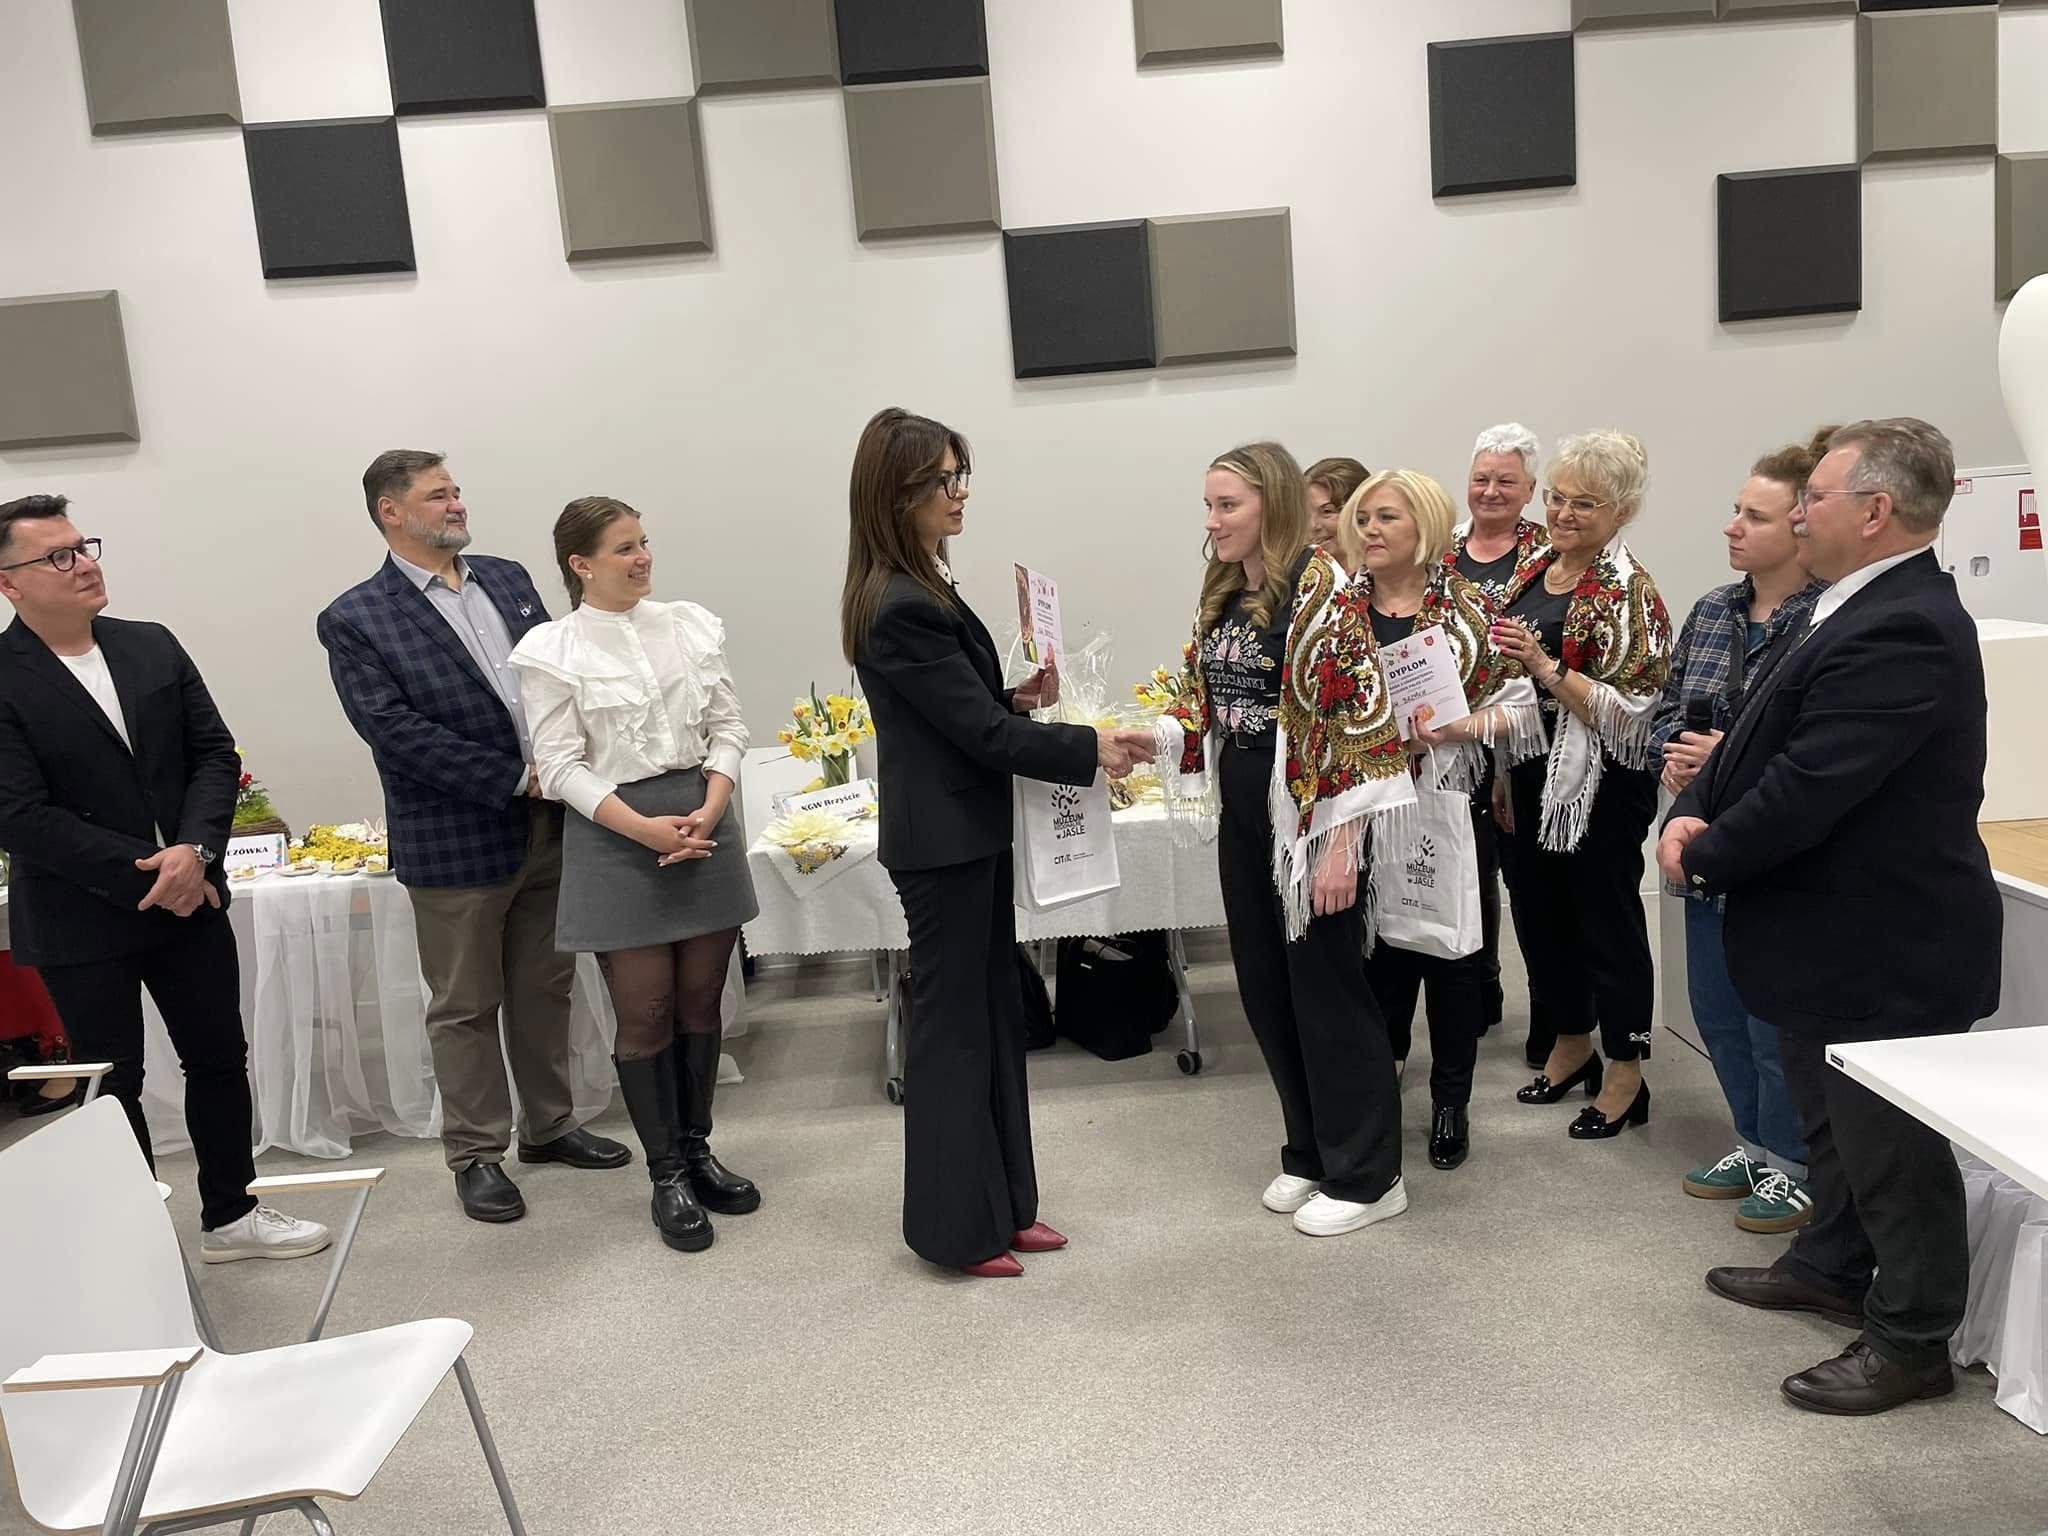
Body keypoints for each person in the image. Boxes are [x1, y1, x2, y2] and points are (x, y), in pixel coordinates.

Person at [1660, 418, 2002, 1416]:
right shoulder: (1841, 604)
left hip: (1883, 942)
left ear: (1875, 510)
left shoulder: (1905, 625)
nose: (1798, 512)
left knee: (1891, 1150)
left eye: (1813, 496)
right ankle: (1831, 1265)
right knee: (1833, 1127)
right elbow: (1749, 740)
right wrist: (1691, 809)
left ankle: (1910, 1340)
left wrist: (1704, 851)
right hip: (1828, 936)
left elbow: (1812, 782)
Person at [843, 408, 1153, 1279]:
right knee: (954, 1037)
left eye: (960, 475)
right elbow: (976, 736)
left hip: (965, 835)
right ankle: (954, 1230)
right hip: (941, 848)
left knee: (991, 1022)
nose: (960, 493)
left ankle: (1006, 1206)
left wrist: (1019, 698)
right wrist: (1089, 746)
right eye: (945, 479)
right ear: (898, 491)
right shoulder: (900, 603)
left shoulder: (920, 584)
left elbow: (963, 713)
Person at [0, 495, 329, 1261]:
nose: (83, 565)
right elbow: (18, 814)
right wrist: (151, 871)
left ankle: (232, 1216)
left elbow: (214, 753)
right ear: (9, 583)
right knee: (112, 1079)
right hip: (82, 911)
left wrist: (196, 852)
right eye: (58, 556)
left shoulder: (149, 644)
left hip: (191, 897)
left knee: (217, 1057)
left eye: (85, 547)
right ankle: (137, 1245)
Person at [318, 452, 630, 1224]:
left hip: (550, 825)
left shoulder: (507, 578)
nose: (457, 504)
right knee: (464, 1005)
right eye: (438, 495)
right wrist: (516, 777)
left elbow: (559, 676)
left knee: (545, 986)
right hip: (456, 838)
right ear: (391, 511)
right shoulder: (356, 617)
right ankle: (477, 1155)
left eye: (457, 491)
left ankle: (550, 1127)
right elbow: (394, 733)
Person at [1153, 442, 1415, 1238]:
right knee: (1267, 989)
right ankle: (1310, 1150)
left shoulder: (1324, 592)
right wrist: (1149, 737)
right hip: (1248, 817)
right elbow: (1203, 696)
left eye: (1227, 505)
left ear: (1271, 504)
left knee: (1328, 994)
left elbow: (1363, 723)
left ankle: (1370, 1175)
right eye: (1208, 506)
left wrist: (1340, 843)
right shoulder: (1228, 590)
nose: (1212, 521)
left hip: (1313, 822)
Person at [507, 497, 761, 1254]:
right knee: (646, 1010)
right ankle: (666, 1174)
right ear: (581, 565)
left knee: (701, 1001)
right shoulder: (552, 649)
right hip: (616, 833)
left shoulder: (689, 624)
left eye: (644, 542)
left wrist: (712, 805)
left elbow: (729, 727)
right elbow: (558, 766)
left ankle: (699, 1151)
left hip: (704, 816)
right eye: (624, 548)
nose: (643, 557)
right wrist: (643, 828)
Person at [1649, 431, 1830, 1236]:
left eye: (1753, 516)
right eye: (1735, 510)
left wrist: (1728, 759)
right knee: (1716, 1011)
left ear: (1801, 525)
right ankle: (1754, 1144)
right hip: (1698, 844)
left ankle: (1795, 1163)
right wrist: (1676, 757)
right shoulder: (1712, 610)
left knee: (1769, 1021)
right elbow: (1664, 710)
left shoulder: (1820, 622)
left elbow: (1814, 751)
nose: (1732, 526)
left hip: (1771, 852)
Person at [1335, 469, 1529, 1171]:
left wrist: (1455, 730)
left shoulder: (1469, 610)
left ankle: (1451, 1101)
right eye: (1364, 519)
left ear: (1424, 526)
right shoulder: (1339, 612)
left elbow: (1522, 710)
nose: (1370, 531)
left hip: (1447, 800)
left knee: (1452, 959)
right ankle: (1379, 1080)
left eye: (1387, 517)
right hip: (1360, 807)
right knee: (1378, 953)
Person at [1488, 431, 1672, 1139]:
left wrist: (1544, 665)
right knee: (1540, 918)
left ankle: (1626, 1069)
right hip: (1528, 768)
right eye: (1558, 498)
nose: (1563, 513)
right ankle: (1571, 1043)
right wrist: (1502, 770)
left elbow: (1635, 713)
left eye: (1585, 503)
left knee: (1606, 924)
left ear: (1622, 510)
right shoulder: (1536, 566)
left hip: (1602, 782)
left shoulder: (1630, 591)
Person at [1452, 424, 1548, 1056]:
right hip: (1453, 737)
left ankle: (1553, 1017)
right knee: (1467, 868)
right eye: (1481, 478)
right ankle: (1480, 990)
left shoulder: (1549, 555)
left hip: (1529, 738)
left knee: (1531, 884)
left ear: (1530, 490)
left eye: (1505, 481)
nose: (1490, 491)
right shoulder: (1442, 550)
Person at [1305, 457, 1370, 560]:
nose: (1313, 526)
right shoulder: (1295, 568)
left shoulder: (1388, 569)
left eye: (1327, 511)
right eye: (1305, 515)